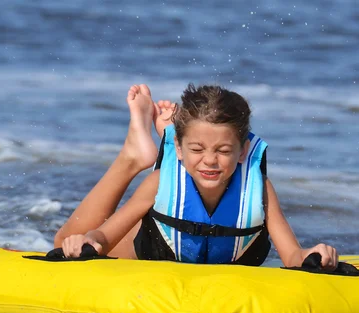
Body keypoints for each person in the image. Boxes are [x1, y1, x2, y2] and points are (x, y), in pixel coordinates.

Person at [54, 83, 339, 269]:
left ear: (243, 151)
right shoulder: (161, 183)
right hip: (156, 251)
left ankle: (172, 132)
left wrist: (312, 256)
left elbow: (292, 256)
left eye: (224, 150)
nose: (211, 161)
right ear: (180, 149)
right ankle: (134, 155)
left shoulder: (259, 189)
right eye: (198, 149)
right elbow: (103, 236)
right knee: (67, 244)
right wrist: (89, 241)